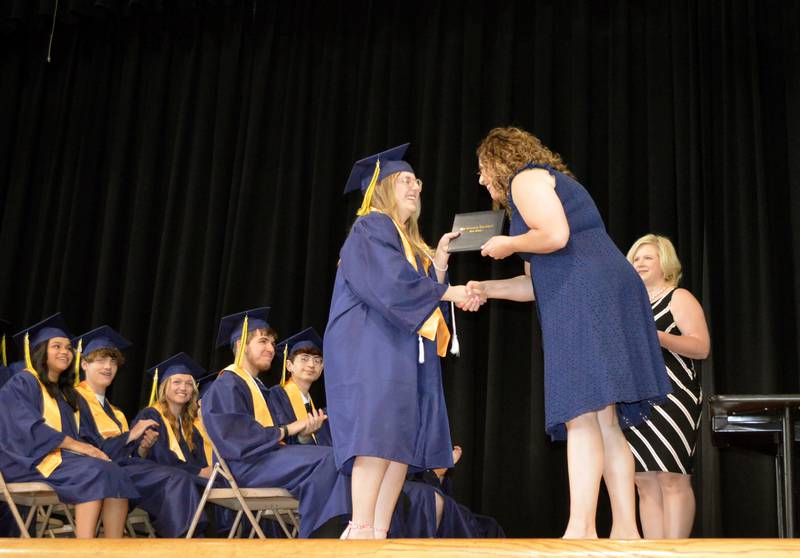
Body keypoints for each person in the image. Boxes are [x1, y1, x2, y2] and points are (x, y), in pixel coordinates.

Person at [467, 127, 671, 539]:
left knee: (580, 414)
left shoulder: (525, 179)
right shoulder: (539, 194)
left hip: (586, 292)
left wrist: (507, 244)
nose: (481, 180)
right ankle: (626, 531)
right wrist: (484, 288)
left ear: (498, 161)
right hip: (603, 288)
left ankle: (581, 529)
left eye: (482, 169)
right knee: (603, 417)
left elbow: (556, 236)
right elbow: (534, 284)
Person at [324, 143, 471, 539]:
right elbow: (391, 286)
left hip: (400, 347)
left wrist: (439, 262)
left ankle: (379, 532)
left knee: (398, 443)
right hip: (369, 345)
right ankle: (359, 529)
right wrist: (451, 293)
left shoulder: (408, 241)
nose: (415, 187)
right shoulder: (370, 226)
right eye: (405, 180)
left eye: (416, 180)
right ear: (383, 186)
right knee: (375, 438)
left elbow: (420, 293)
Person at [201, 308, 351, 538]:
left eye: (272, 343)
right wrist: (289, 428)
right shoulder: (227, 384)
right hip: (243, 466)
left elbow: (273, 437)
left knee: (334, 457)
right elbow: (237, 439)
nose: (271, 349)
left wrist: (300, 435)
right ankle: (320, 541)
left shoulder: (257, 387)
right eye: (263, 341)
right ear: (241, 344)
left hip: (262, 460)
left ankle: (327, 535)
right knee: (328, 461)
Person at [0, 314, 138, 538]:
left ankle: (114, 549)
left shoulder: (65, 394)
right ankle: (84, 549)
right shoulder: (23, 382)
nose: (65, 352)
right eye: (57, 346)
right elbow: (27, 428)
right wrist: (80, 447)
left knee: (114, 472)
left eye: (68, 347)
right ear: (39, 350)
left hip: (58, 458)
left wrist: (88, 449)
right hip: (24, 460)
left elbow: (81, 435)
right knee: (93, 471)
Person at [74, 326, 212, 537]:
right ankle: (182, 542)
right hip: (96, 473)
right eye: (100, 360)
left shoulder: (115, 412)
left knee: (184, 480)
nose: (108, 367)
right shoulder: (73, 401)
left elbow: (130, 455)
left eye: (112, 362)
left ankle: (192, 538)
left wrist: (143, 448)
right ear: (84, 364)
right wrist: (131, 435)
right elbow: (88, 447)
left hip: (123, 471)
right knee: (177, 479)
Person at [623, 234, 710, 538]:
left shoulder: (678, 297)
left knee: (673, 478)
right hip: (635, 400)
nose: (639, 263)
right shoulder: (627, 304)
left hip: (674, 398)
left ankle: (676, 552)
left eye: (648, 257)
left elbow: (701, 347)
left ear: (666, 263)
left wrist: (655, 335)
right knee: (644, 481)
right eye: (635, 258)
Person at [133, 352, 234, 537]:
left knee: (221, 484)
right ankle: (189, 540)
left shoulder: (188, 425)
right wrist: (198, 471)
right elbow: (160, 457)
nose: (183, 388)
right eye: (177, 382)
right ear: (164, 386)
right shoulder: (151, 415)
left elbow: (196, 460)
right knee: (196, 485)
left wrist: (205, 470)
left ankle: (224, 538)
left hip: (180, 477)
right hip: (155, 482)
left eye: (188, 383)